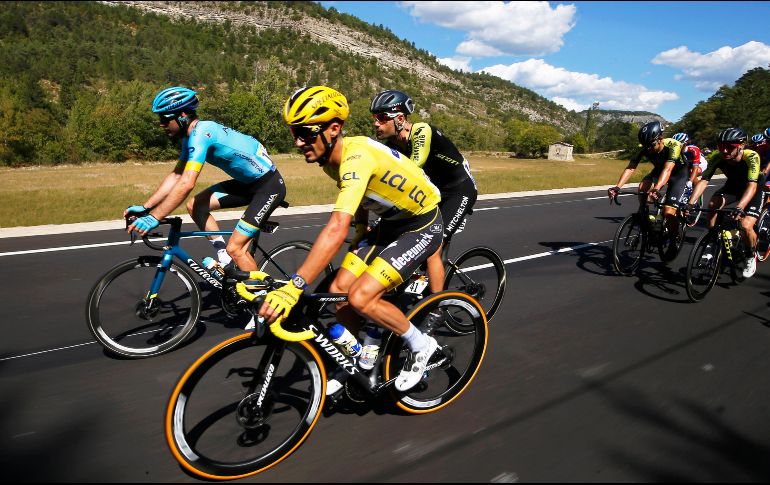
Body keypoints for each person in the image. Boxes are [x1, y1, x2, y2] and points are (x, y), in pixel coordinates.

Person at [257, 85, 444, 394]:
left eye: (305, 132)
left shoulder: (355, 157)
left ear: (334, 128)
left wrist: (294, 286)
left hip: (421, 223)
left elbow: (335, 227)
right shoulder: (331, 158)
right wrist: (361, 232)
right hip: (392, 223)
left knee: (361, 297)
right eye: (294, 133)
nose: (298, 141)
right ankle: (360, 358)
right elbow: (361, 199)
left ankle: (420, 344)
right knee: (339, 291)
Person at [126, 86, 286, 275]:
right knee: (196, 205)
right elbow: (177, 176)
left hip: (268, 187)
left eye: (165, 118)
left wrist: (155, 217)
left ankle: (262, 300)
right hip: (247, 185)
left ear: (182, 115)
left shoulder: (203, 133)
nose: (161, 124)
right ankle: (224, 259)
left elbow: (187, 183)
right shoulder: (189, 139)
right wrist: (147, 207)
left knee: (236, 249)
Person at [369, 89, 478, 293]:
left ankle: (437, 308)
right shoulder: (391, 143)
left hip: (459, 190)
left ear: (400, 118)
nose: (376, 123)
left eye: (382, 117)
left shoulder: (421, 131)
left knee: (433, 247)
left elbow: (412, 169)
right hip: (434, 192)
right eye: (375, 117)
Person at [683, 128, 764, 278]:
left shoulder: (751, 156)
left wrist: (740, 207)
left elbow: (752, 185)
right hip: (733, 187)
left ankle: (750, 255)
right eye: (721, 146)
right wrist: (690, 203)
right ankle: (713, 239)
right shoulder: (718, 157)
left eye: (730, 147)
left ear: (741, 146)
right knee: (712, 205)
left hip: (753, 188)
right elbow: (704, 181)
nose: (724, 150)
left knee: (746, 225)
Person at [608, 121, 689, 258]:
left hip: (678, 174)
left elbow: (668, 169)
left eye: (651, 145)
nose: (648, 149)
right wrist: (617, 186)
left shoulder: (673, 145)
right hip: (659, 171)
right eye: (645, 146)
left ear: (660, 138)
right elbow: (631, 167)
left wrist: (657, 189)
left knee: (669, 212)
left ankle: (673, 240)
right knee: (642, 187)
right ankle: (645, 216)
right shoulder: (644, 146)